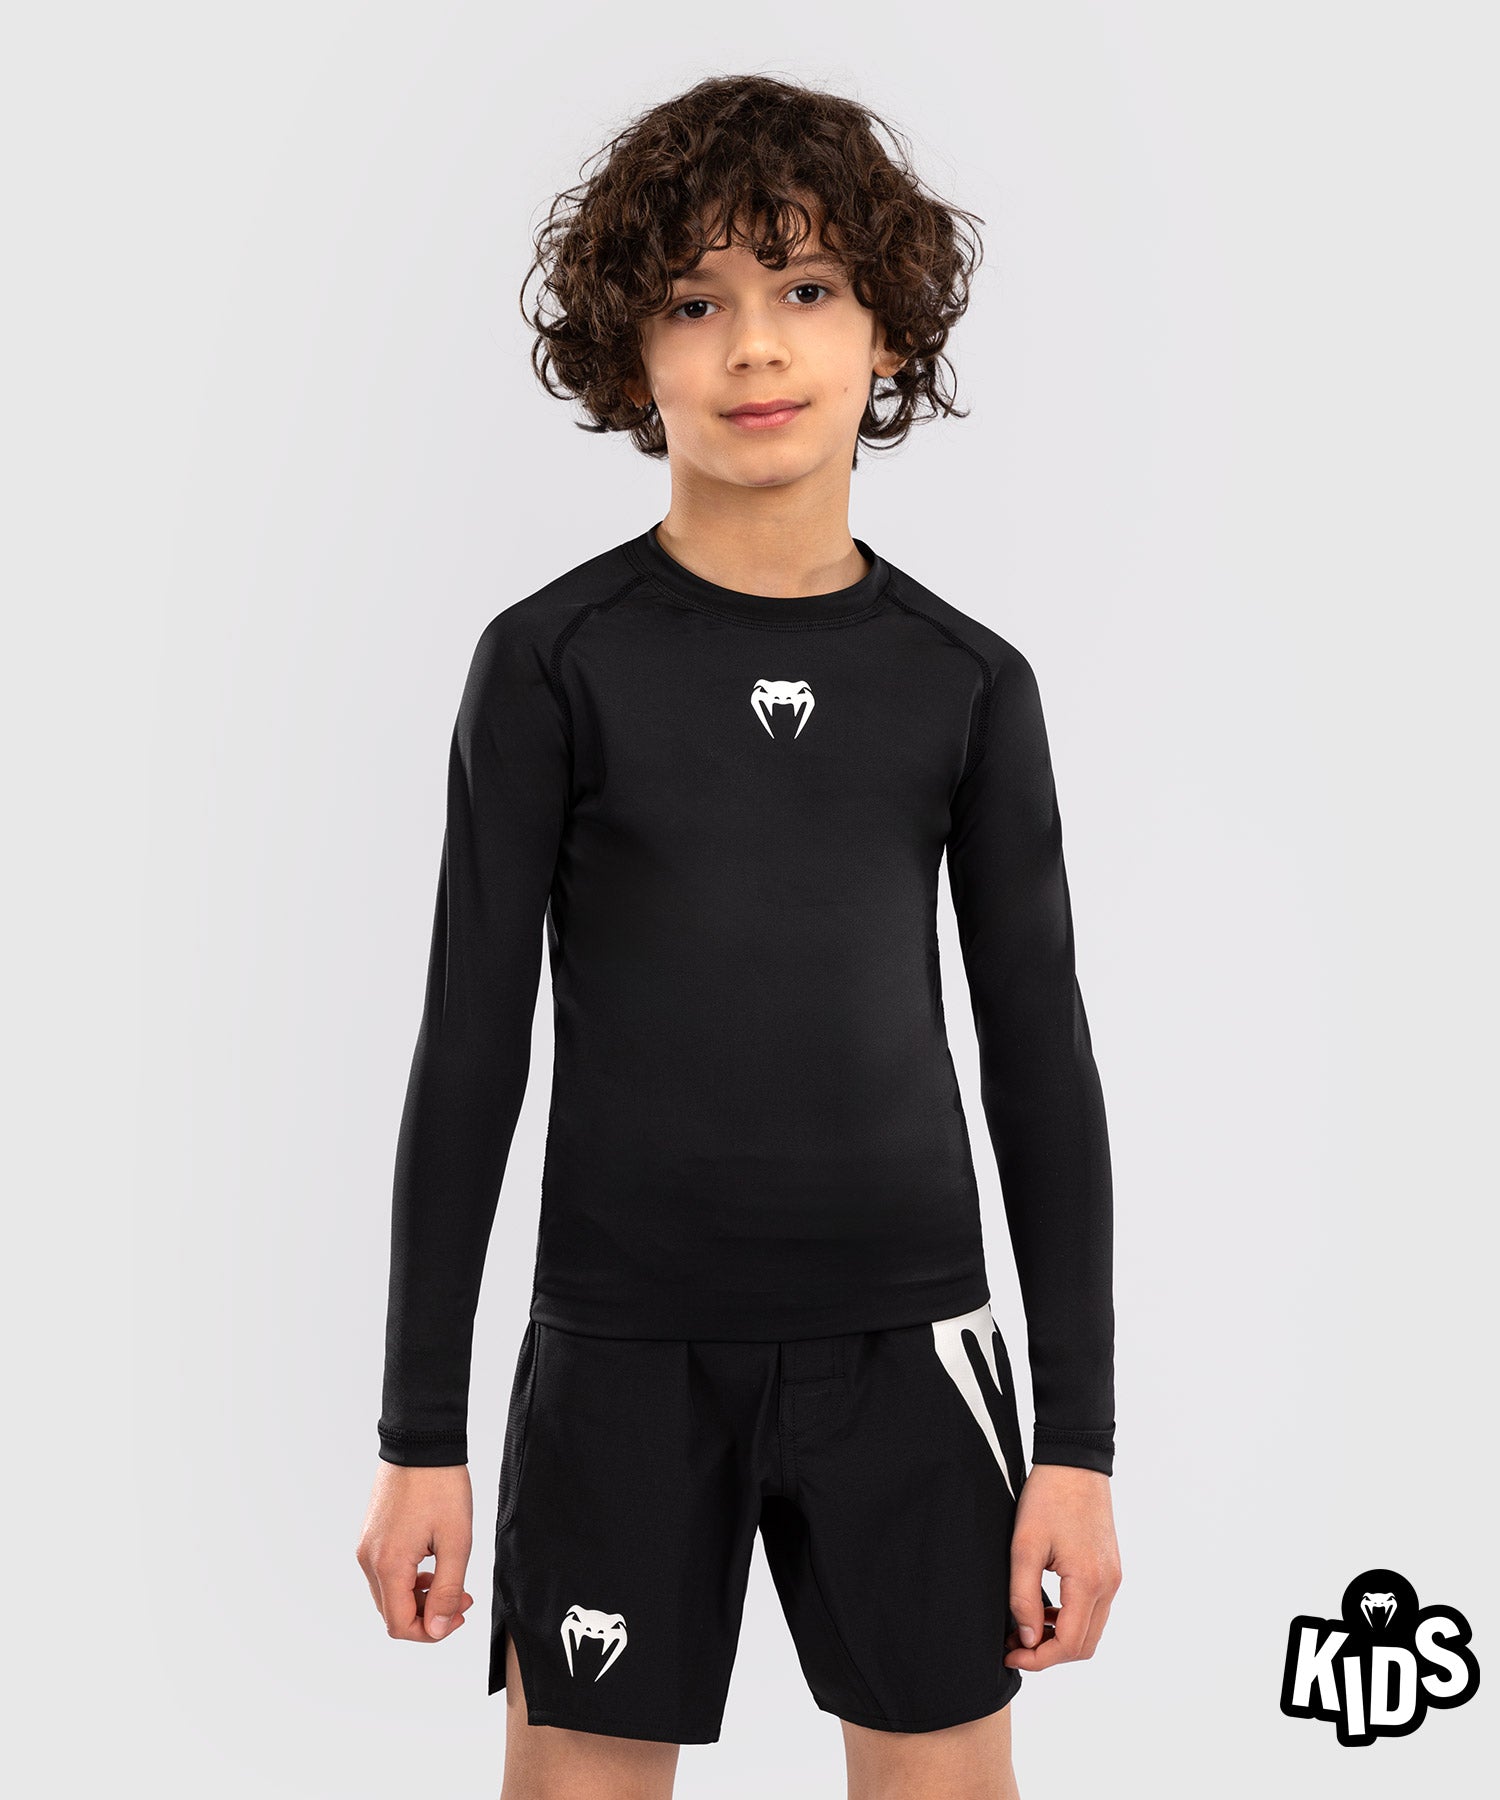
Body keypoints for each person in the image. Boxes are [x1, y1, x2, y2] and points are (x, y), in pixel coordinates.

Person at [357, 72, 1122, 1800]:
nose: (756, 345)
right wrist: (421, 1437)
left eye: (806, 288)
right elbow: (468, 1051)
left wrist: (1076, 1447)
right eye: (695, 302)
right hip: (618, 1359)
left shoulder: (966, 685)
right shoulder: (552, 664)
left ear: (888, 332)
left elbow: (1042, 1067)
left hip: (911, 1357)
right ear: (631, 353)